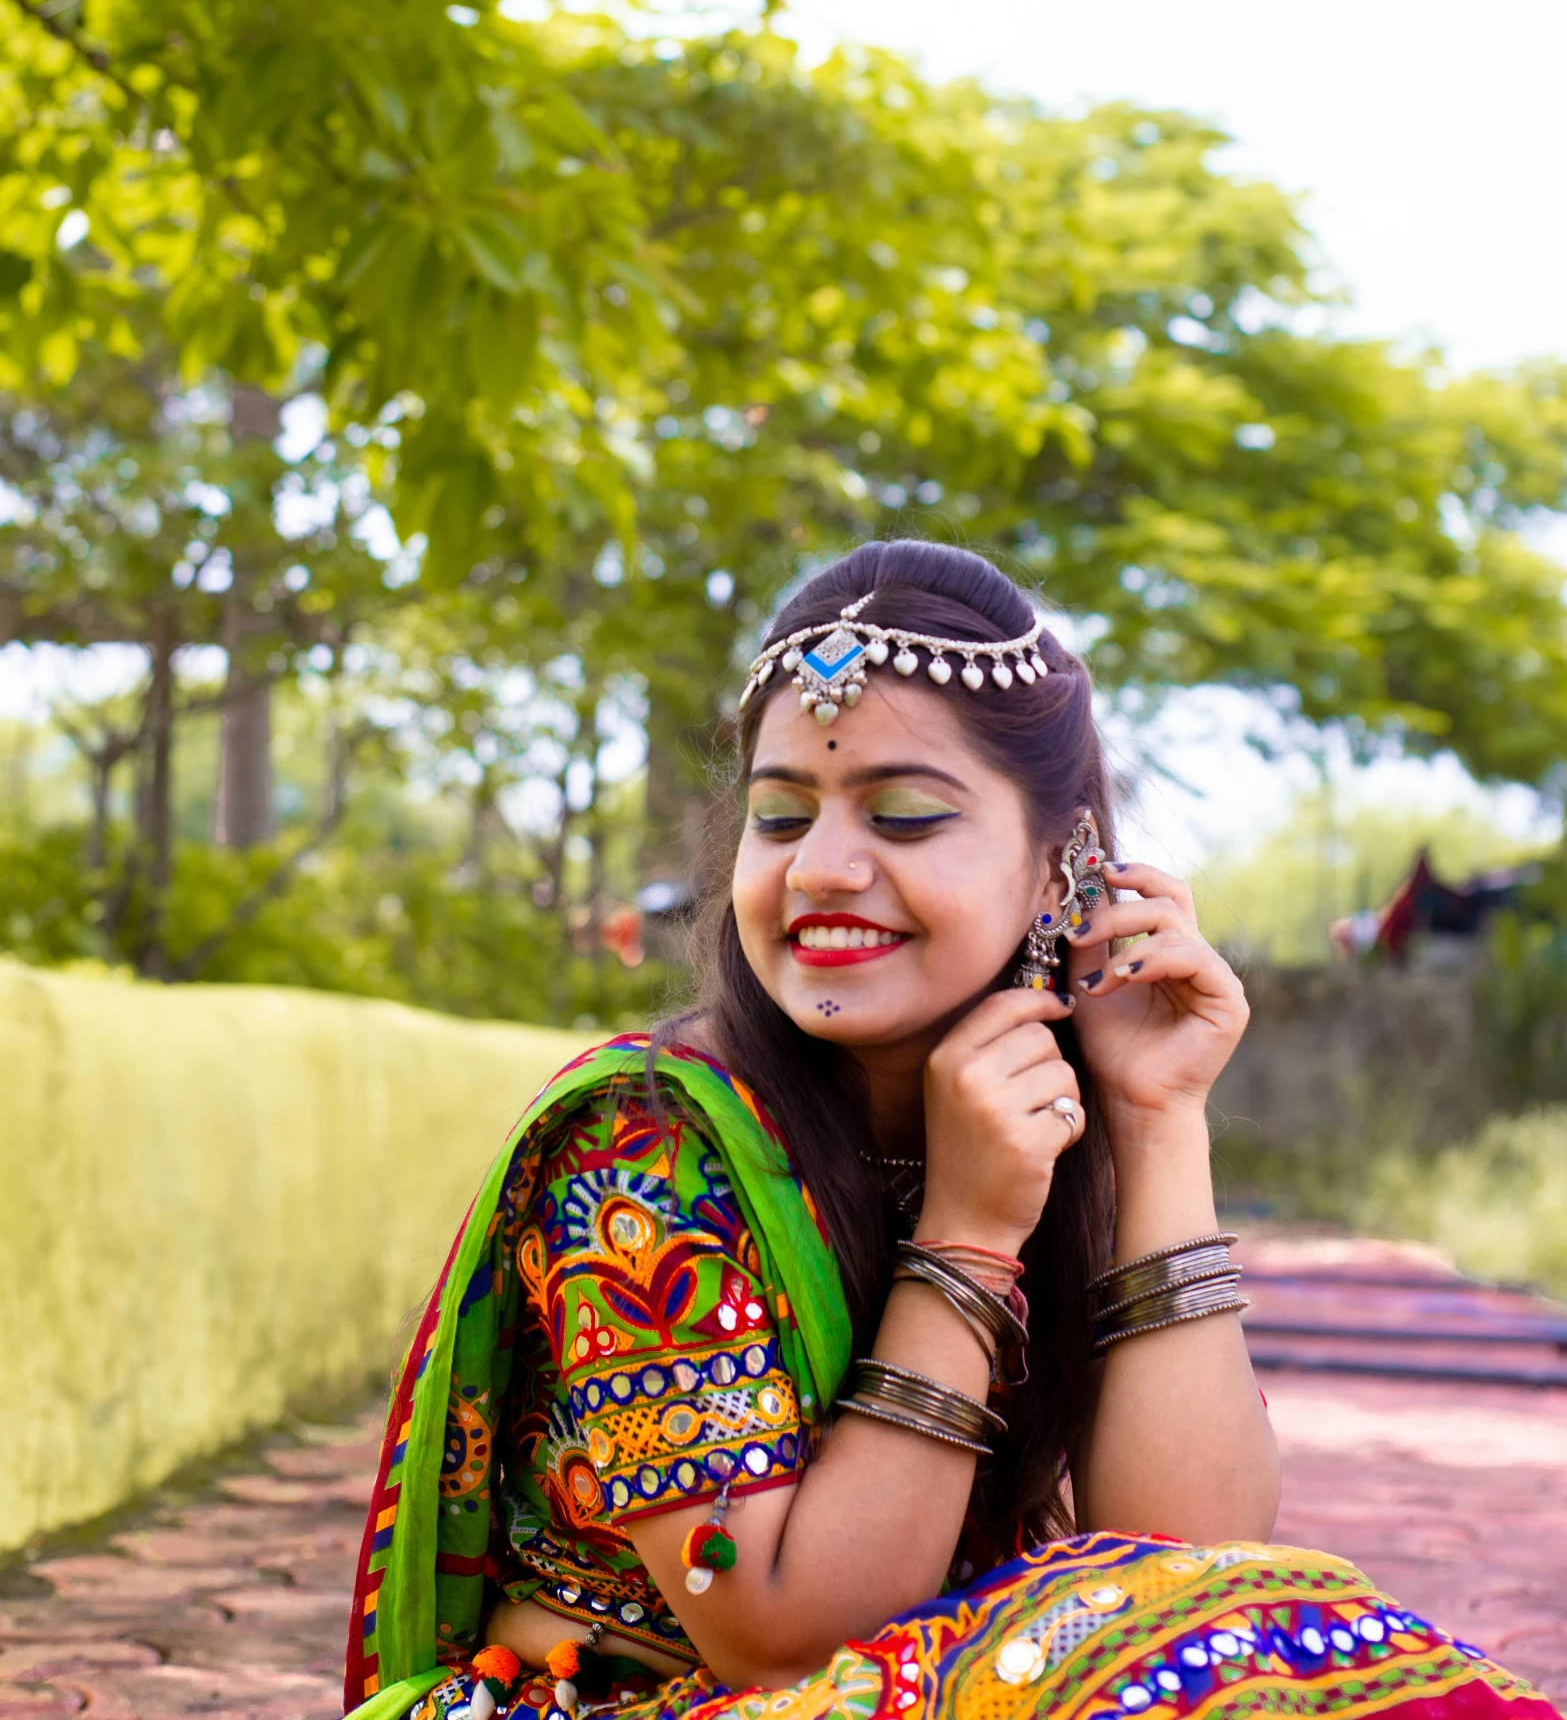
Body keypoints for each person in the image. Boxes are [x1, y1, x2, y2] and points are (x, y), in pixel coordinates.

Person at [345, 542, 1554, 1720]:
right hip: (642, 1700)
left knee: (1283, 1634)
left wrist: (1156, 1117)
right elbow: (778, 1635)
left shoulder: (1037, 1116)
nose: (822, 867)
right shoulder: (644, 1146)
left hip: (911, 1688)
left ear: (1059, 873)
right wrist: (968, 1239)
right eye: (780, 816)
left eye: (907, 815)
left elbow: (1192, 1564)